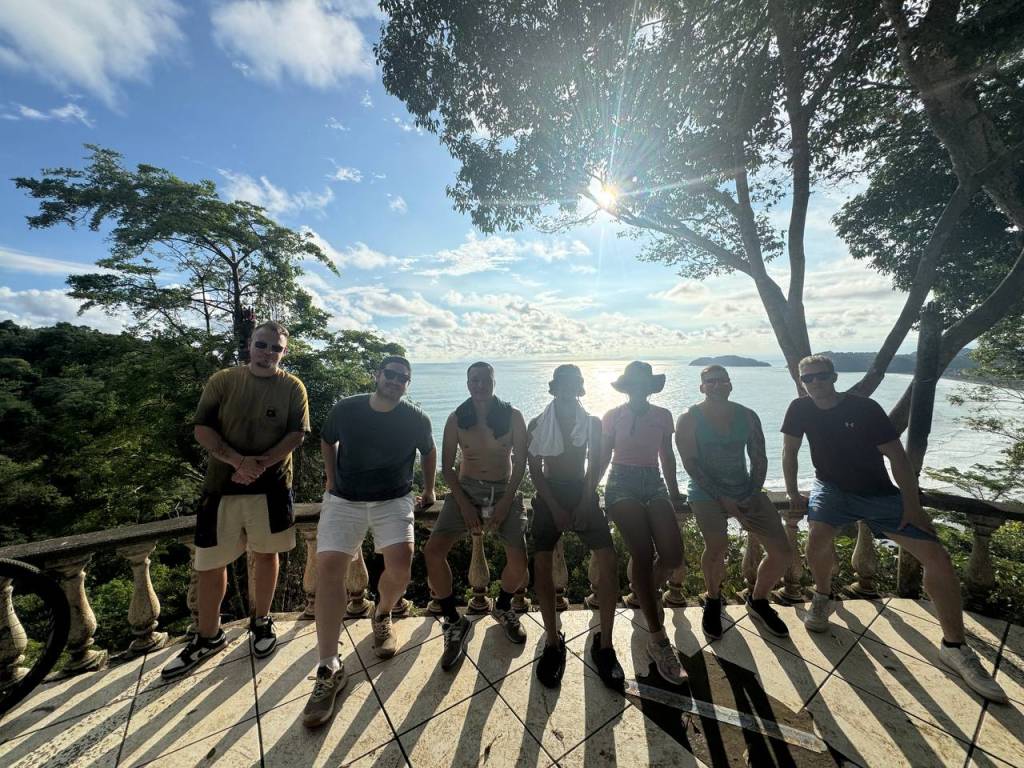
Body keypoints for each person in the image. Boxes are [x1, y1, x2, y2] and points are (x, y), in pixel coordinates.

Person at [782, 354, 1007, 703]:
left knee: (938, 558)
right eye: (808, 378)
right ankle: (823, 596)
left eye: (822, 376)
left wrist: (912, 507)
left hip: (878, 495)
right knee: (817, 539)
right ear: (801, 381)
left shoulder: (865, 409)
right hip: (831, 489)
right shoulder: (799, 409)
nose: (816, 383)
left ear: (835, 377)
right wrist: (794, 491)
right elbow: (790, 450)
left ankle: (955, 646)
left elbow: (897, 458)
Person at [162, 321, 309, 680]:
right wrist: (237, 462)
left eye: (276, 348)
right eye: (263, 345)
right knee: (211, 561)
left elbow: (297, 434)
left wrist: (258, 466)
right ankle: (208, 635)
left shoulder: (292, 387)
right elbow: (202, 428)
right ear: (249, 345)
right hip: (221, 486)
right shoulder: (224, 381)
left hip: (272, 486)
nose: (268, 353)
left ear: (284, 352)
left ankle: (261, 621)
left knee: (266, 553)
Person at [303, 356, 436, 727]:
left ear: (408, 384)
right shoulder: (347, 409)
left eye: (403, 378)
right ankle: (329, 667)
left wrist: (428, 490)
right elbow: (327, 441)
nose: (395, 381)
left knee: (401, 566)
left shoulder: (415, 419)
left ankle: (382, 613)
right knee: (329, 569)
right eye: (390, 375)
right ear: (377, 375)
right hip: (344, 500)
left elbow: (429, 451)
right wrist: (330, 480)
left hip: (393, 499)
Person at [425, 362, 530, 670]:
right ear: (467, 383)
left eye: (486, 380)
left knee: (520, 561)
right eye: (474, 380)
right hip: (466, 489)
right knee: (432, 552)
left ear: (494, 382)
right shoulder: (458, 418)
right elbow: (446, 466)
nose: (480, 385)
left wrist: (505, 503)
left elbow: (521, 463)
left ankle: (505, 606)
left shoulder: (512, 416)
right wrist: (465, 505)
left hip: (504, 491)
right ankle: (453, 620)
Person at [676, 365, 791, 640]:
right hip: (705, 493)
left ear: (730, 385)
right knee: (716, 547)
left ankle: (759, 600)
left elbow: (759, 457)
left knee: (783, 553)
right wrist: (723, 498)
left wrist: (751, 492)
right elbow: (690, 463)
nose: (716, 386)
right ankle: (713, 599)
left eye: (721, 381)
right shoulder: (689, 419)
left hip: (745, 489)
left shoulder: (748, 416)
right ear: (701, 388)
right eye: (709, 382)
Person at [527, 365, 624, 689]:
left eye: (574, 384)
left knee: (608, 560)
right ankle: (553, 642)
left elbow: (595, 464)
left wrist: (584, 502)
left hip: (582, 491)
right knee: (541, 563)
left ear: (580, 388)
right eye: (563, 384)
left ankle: (605, 645)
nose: (568, 389)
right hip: (550, 493)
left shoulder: (592, 423)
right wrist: (555, 507)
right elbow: (536, 471)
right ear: (555, 388)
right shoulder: (538, 424)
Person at [597, 361, 687, 685]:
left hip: (654, 482)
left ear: (650, 387)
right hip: (621, 483)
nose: (639, 388)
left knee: (674, 555)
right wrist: (587, 491)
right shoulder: (613, 416)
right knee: (643, 553)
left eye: (643, 383)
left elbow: (667, 456)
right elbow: (604, 455)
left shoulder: (663, 416)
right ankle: (658, 638)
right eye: (633, 383)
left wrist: (675, 492)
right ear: (627, 387)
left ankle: (642, 587)